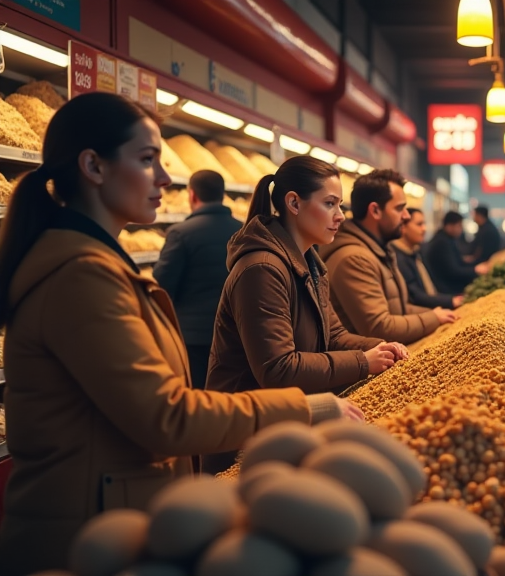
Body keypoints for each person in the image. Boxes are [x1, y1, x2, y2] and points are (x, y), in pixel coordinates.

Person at [0, 93, 356, 576]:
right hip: (83, 537)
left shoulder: (102, 265)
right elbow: (166, 414)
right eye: (147, 161)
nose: (166, 179)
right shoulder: (81, 277)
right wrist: (308, 406)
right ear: (93, 166)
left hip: (113, 515)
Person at [204, 156, 405, 474]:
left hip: (285, 426)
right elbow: (278, 368)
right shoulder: (263, 269)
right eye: (330, 204)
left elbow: (334, 336)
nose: (340, 216)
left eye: (340, 205)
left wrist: (380, 346)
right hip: (245, 445)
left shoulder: (309, 261)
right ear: (294, 203)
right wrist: (364, 362)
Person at [321, 169, 456, 344]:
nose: (406, 216)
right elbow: (379, 328)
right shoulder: (354, 259)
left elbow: (397, 310)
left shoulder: (378, 251)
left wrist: (437, 314)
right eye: (400, 208)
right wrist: (433, 318)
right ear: (375, 211)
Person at [152, 170, 242, 390]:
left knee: (199, 396)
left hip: (194, 338)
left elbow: (161, 286)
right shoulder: (244, 231)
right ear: (223, 194)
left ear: (192, 196)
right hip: (237, 334)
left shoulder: (181, 233)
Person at [393, 208, 464, 310]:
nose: (424, 229)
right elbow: (415, 295)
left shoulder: (416, 251)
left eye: (424, 224)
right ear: (403, 227)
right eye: (419, 224)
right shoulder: (398, 257)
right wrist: (450, 300)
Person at [423, 211, 478, 294]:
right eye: (459, 226)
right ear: (449, 226)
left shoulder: (447, 239)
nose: (461, 229)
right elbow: (453, 271)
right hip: (446, 289)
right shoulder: (442, 242)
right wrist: (475, 270)